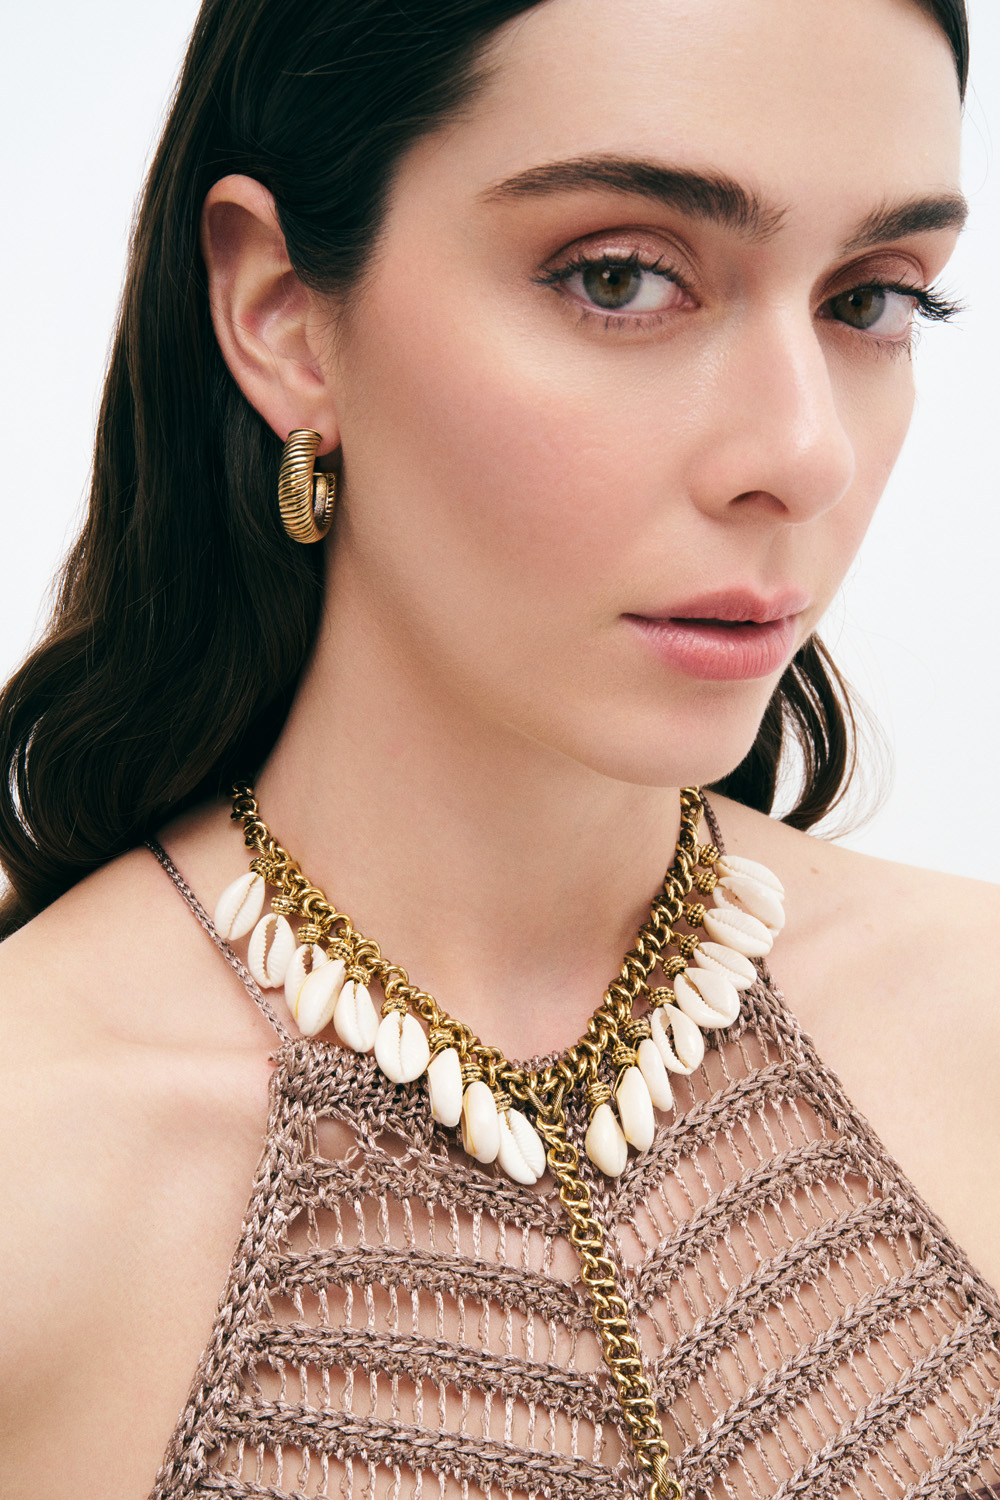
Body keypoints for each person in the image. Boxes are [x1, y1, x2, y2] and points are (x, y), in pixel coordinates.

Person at [1, 0, 997, 1496]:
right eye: (621, 278)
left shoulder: (978, 1017)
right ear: (281, 311)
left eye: (869, 299)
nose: (804, 456)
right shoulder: (34, 1171)